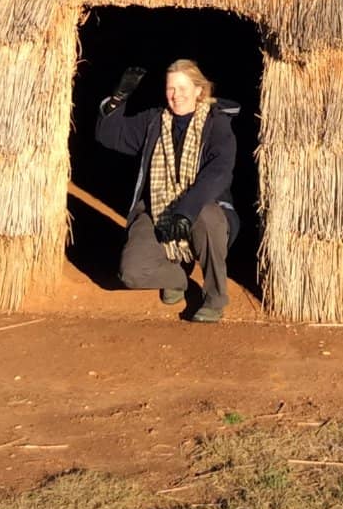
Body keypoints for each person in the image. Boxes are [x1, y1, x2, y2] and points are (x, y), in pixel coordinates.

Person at [96, 58, 239, 323]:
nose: (176, 95)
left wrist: (186, 211)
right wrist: (118, 99)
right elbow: (110, 136)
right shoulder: (154, 121)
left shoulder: (216, 125)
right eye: (171, 89)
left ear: (199, 90)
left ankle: (215, 297)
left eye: (183, 88)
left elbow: (218, 172)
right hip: (158, 209)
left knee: (207, 218)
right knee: (132, 271)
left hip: (204, 209)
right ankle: (176, 277)